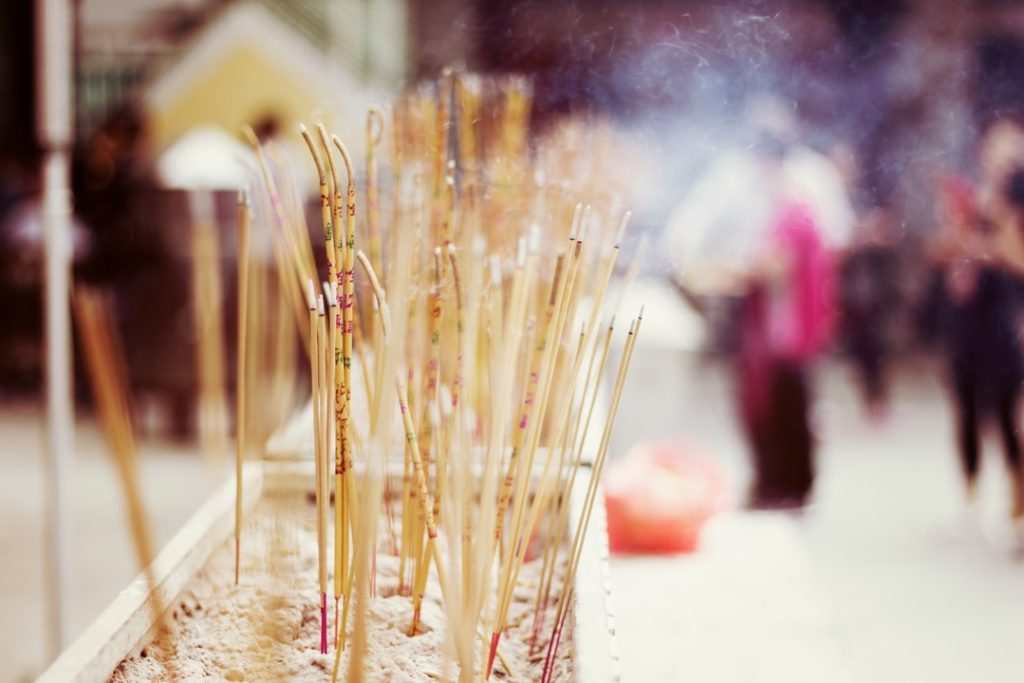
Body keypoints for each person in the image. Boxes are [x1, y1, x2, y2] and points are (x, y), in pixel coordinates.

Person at [663, 96, 852, 508]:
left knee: (787, 404)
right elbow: (690, 230)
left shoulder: (803, 195)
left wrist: (726, 271)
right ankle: (774, 481)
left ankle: (789, 485)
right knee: (763, 403)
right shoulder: (739, 177)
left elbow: (782, 261)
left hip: (790, 321)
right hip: (768, 318)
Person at [928, 116, 1024, 536]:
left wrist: (994, 237)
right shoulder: (970, 197)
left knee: (1007, 414)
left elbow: (1016, 257)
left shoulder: (1014, 201)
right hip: (968, 317)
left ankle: (1017, 505)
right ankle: (969, 499)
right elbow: (940, 250)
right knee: (965, 407)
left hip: (1007, 317)